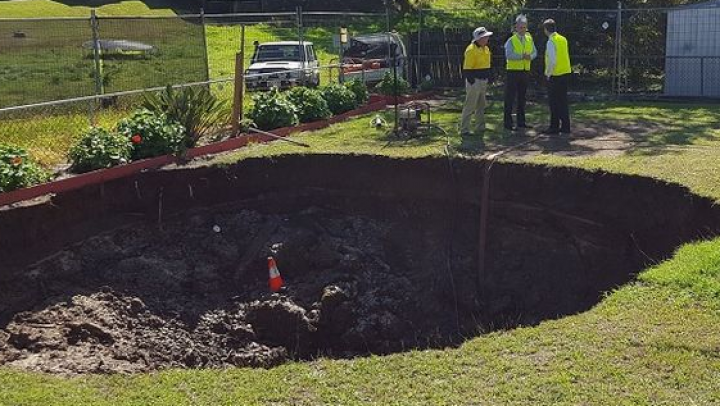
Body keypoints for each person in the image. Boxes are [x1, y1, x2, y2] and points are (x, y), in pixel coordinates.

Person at [503, 14, 537, 132]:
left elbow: (535, 52)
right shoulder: (511, 40)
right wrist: (521, 56)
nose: (522, 29)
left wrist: (530, 57)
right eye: (520, 27)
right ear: (516, 27)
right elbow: (509, 55)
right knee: (510, 98)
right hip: (513, 71)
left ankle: (521, 122)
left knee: (522, 98)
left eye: (524, 27)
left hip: (524, 71)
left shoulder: (529, 38)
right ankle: (508, 123)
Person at [460, 26, 493, 136]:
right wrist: (472, 82)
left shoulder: (486, 49)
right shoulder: (471, 50)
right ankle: (464, 129)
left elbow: (487, 65)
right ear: (478, 38)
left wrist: (488, 77)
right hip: (474, 81)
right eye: (484, 37)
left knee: (481, 105)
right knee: (470, 105)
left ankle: (480, 126)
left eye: (487, 37)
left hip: (483, 80)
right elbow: (467, 69)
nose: (486, 39)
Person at [542, 19, 572, 134]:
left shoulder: (551, 41)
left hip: (555, 75)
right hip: (564, 73)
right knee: (563, 101)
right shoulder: (562, 39)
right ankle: (566, 126)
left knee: (554, 102)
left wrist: (548, 74)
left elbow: (552, 61)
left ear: (546, 29)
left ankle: (554, 126)